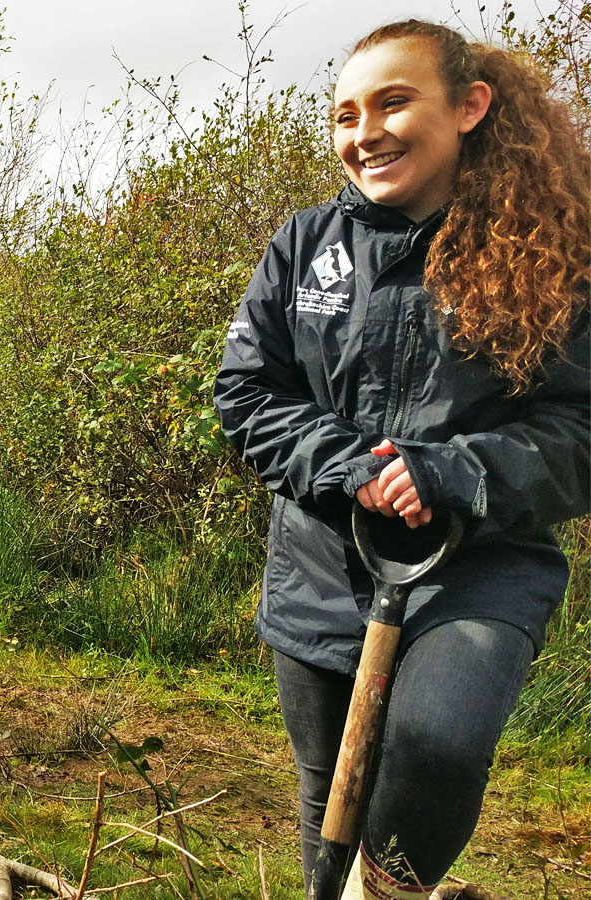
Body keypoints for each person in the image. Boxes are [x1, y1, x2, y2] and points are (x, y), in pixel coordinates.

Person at [213, 20, 589, 899]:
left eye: (392, 102)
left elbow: (579, 430)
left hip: (480, 566)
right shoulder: (306, 246)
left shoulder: (557, 257)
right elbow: (245, 394)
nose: (363, 133)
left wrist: (445, 473)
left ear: (469, 107)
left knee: (438, 743)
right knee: (328, 802)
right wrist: (353, 466)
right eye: (345, 114)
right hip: (321, 568)